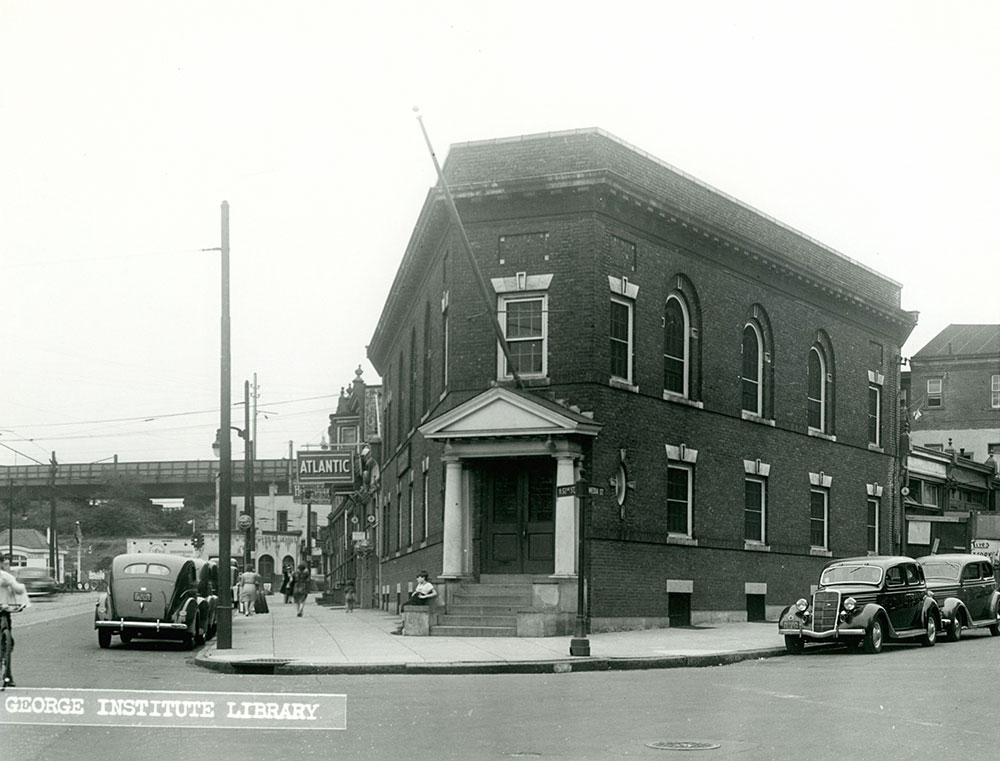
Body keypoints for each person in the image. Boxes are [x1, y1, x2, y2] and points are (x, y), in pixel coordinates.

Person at [0, 554, 30, 688]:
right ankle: (8, 675)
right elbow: (18, 589)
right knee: (8, 642)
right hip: (4, 610)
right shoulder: (5, 576)